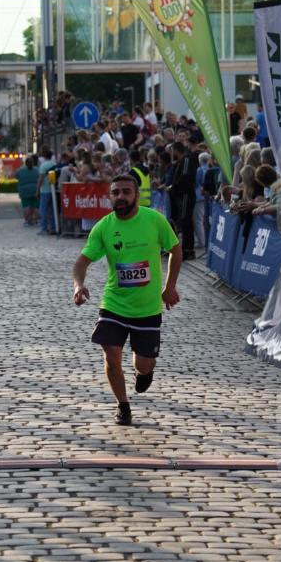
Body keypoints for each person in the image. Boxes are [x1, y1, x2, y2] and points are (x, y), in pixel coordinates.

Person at [72, 174, 182, 426]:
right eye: (115, 192)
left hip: (147, 307)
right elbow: (81, 262)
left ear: (136, 194)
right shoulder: (104, 227)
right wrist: (78, 285)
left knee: (143, 364)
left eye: (126, 192)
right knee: (111, 354)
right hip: (114, 304)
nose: (120, 197)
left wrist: (170, 287)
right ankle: (122, 405)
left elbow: (175, 250)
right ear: (109, 196)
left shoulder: (154, 220)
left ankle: (144, 371)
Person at [35, 146, 57, 236]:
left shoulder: (43, 166)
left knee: (42, 210)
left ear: (44, 156)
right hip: (53, 190)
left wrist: (37, 190)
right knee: (52, 210)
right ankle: (53, 227)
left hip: (44, 190)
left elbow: (40, 179)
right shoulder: (53, 164)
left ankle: (44, 228)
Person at [16, 155, 40, 227]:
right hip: (35, 190)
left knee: (26, 206)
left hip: (24, 191)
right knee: (36, 206)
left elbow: (16, 176)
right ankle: (37, 220)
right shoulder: (37, 170)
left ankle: (27, 221)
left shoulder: (20, 170)